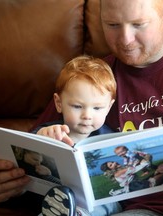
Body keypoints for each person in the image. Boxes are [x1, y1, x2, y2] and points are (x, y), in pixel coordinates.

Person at [0, 0, 163, 215]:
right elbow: (42, 158)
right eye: (113, 25)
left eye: (138, 24)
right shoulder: (91, 82)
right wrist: (10, 185)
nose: (126, 39)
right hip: (143, 211)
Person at [32, 55, 121, 215]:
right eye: (78, 106)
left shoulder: (110, 139)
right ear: (59, 103)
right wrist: (39, 139)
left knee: (109, 202)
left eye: (97, 108)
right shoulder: (49, 132)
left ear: (109, 107)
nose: (87, 115)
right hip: (57, 201)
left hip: (99, 203)